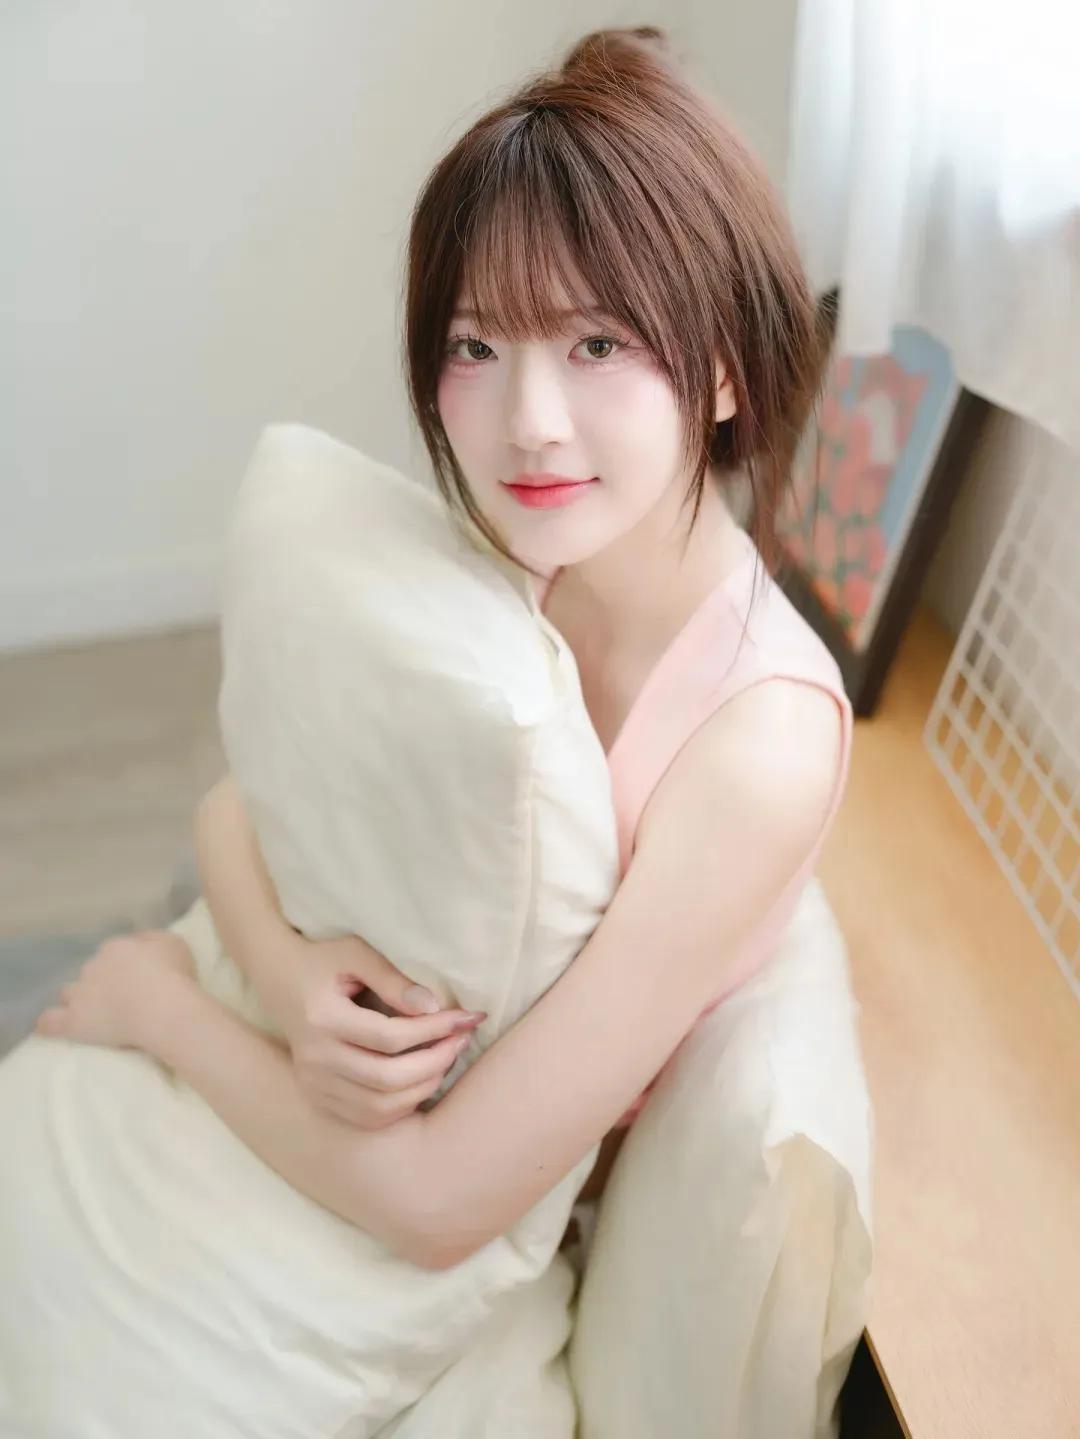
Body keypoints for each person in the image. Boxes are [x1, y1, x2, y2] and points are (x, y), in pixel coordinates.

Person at [32, 26, 849, 1293]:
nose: (528, 423)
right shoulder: (532, 542)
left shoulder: (758, 745)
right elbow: (240, 802)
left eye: (596, 345)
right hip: (314, 1075)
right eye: (476, 346)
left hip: (430, 1230)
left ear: (728, 372)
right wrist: (292, 980)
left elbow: (441, 1203)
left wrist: (164, 1010)